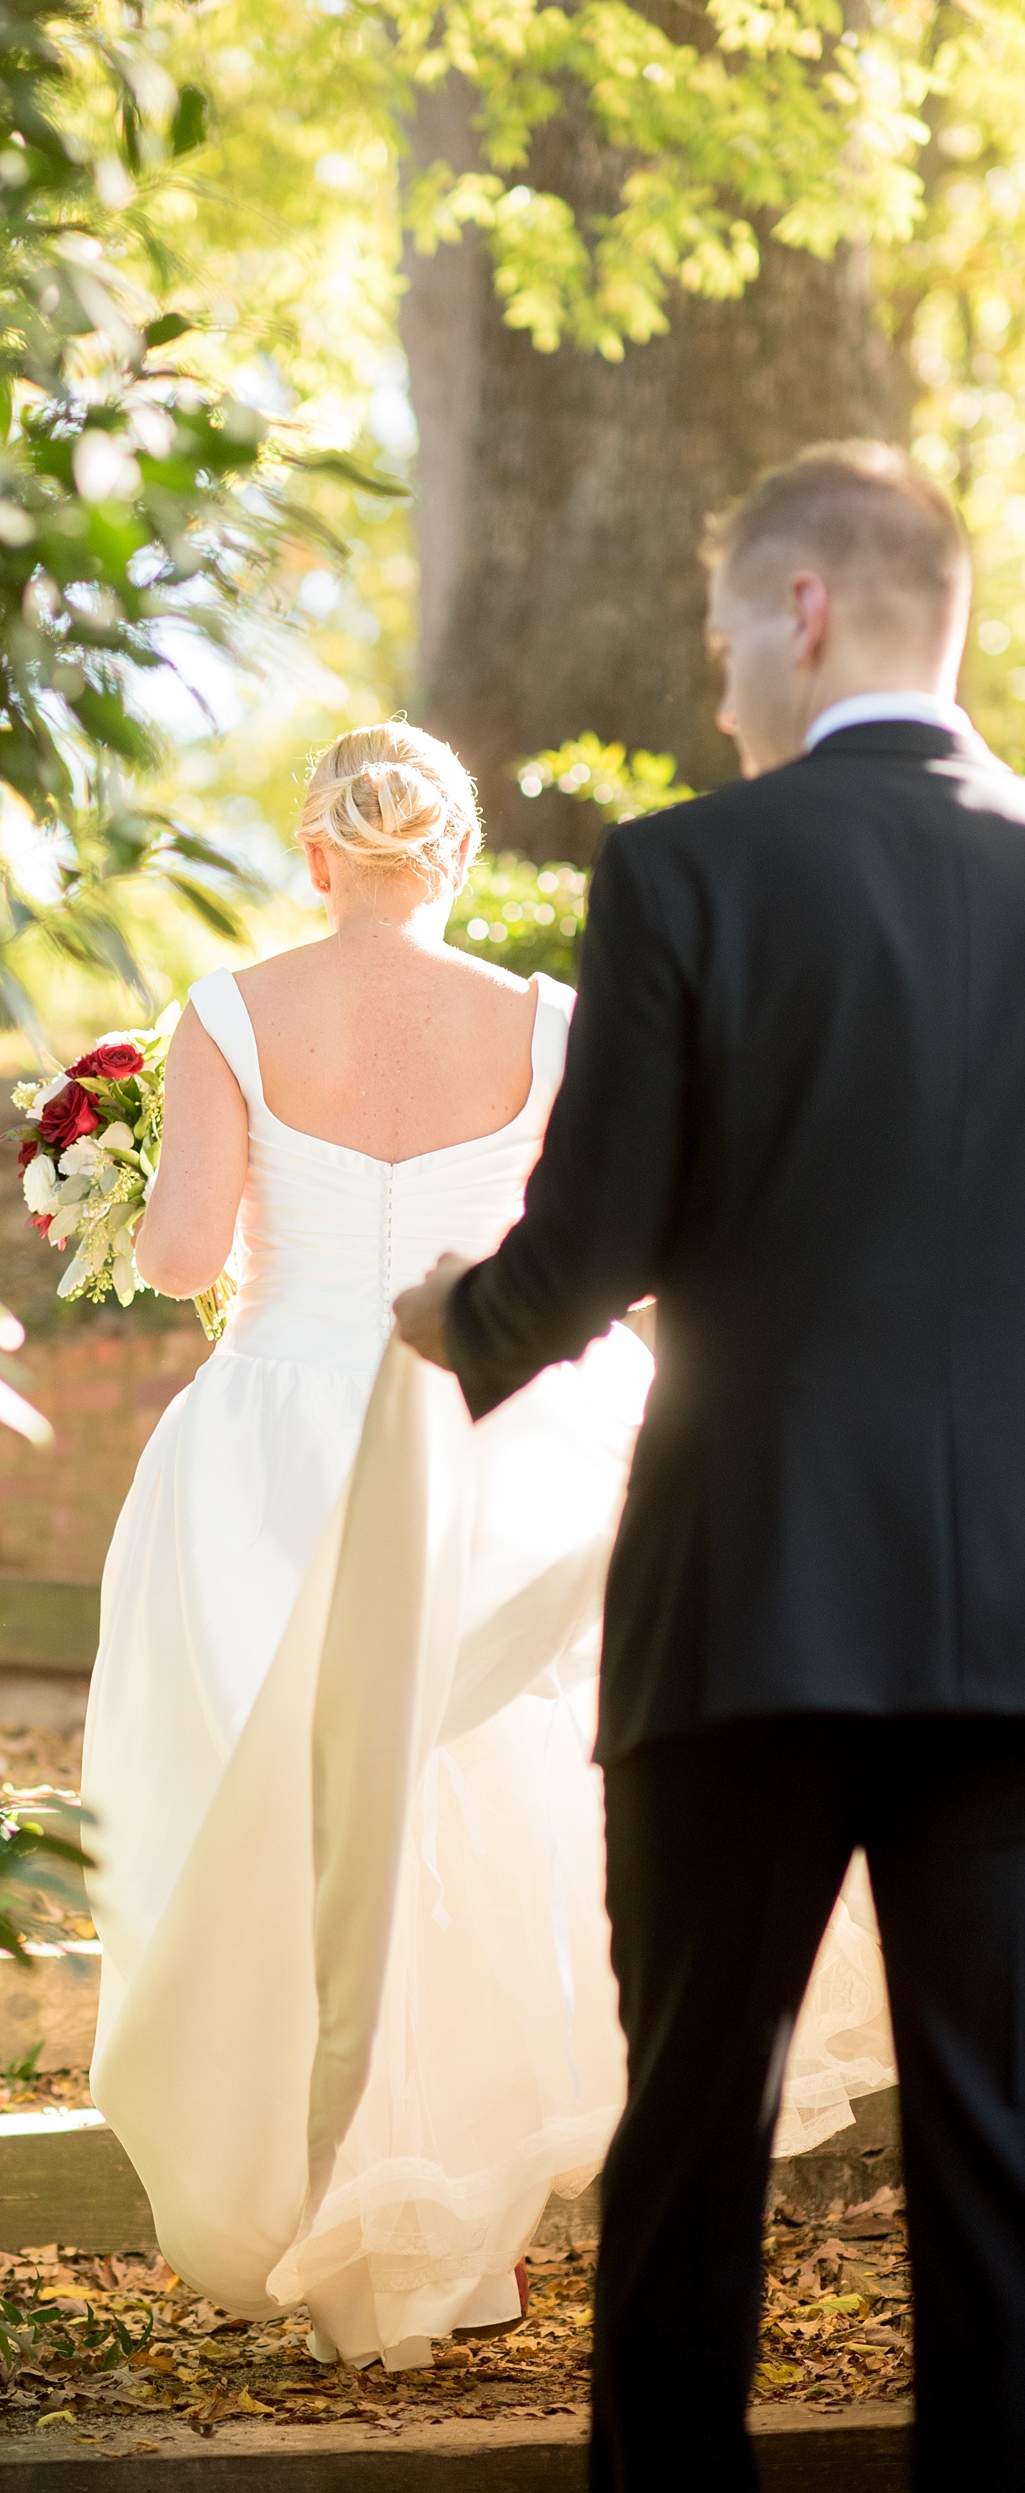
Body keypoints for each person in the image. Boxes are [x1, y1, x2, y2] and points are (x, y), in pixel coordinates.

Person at [82, 720, 891, 2374]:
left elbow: (176, 1264)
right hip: (505, 1420)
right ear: (450, 853)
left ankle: (349, 2207)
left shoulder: (230, 1011)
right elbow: (632, 1257)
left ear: (316, 855)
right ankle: (466, 2218)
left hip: (280, 1439)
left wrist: (114, 1177)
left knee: (297, 1810)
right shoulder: (553, 1024)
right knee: (494, 1795)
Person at [395, 440, 1025, 2493]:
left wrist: (444, 1315)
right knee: (1001, 2145)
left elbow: (591, 1248)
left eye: (723, 635)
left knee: (691, 2129)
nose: (719, 681)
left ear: (805, 613)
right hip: (1015, 1621)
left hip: (743, 1599)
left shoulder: (684, 869)